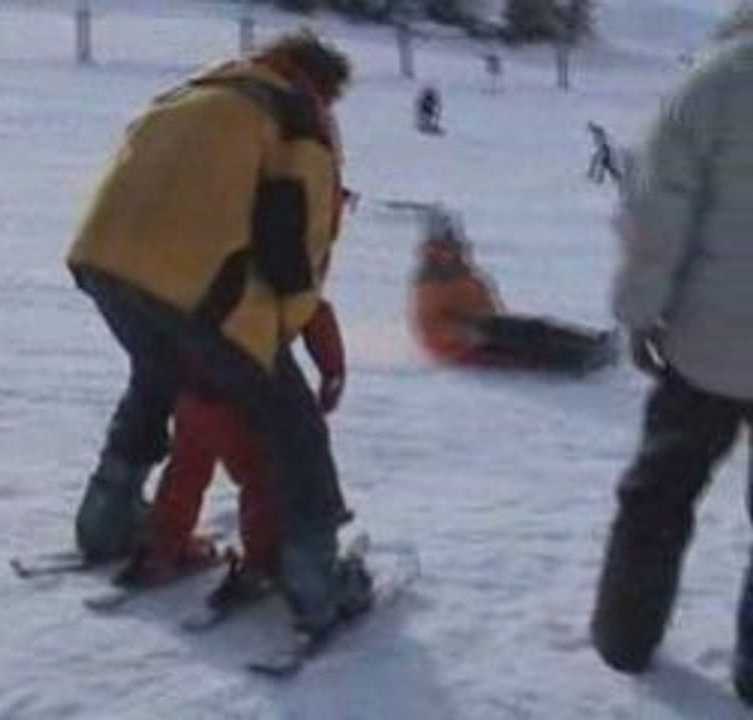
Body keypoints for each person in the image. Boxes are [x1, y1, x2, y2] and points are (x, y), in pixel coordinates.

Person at [65, 29, 371, 640]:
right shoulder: (296, 113)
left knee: (157, 378)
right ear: (323, 84)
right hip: (196, 286)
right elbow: (296, 243)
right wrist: (282, 338)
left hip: (103, 261)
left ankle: (105, 521)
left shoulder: (196, 91)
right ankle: (315, 580)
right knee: (294, 423)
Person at [589, 1, 753, 704]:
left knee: (658, 493)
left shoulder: (716, 82)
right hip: (713, 341)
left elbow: (655, 213)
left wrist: (639, 313)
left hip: (708, 345)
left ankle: (624, 635)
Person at [118, 299, 347, 606]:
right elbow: (315, 313)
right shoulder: (280, 283)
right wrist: (332, 371)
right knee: (260, 478)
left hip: (192, 394)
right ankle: (262, 561)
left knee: (185, 470)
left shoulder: (201, 274)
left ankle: (163, 548)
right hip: (238, 398)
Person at [409, 205, 617, 374]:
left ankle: (591, 343)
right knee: (523, 349)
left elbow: (482, 299)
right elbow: (429, 324)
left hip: (482, 327)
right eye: (449, 235)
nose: (456, 241)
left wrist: (494, 322)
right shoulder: (430, 279)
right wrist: (465, 334)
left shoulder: (459, 267)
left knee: (533, 328)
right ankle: (576, 359)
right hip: (461, 347)